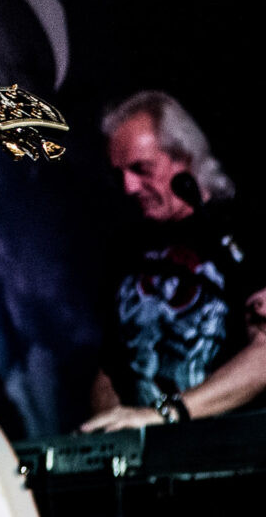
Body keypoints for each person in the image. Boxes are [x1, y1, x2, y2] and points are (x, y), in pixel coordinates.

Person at [82, 90, 264, 432]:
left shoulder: (244, 230)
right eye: (120, 174)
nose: (129, 187)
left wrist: (167, 414)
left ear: (184, 157)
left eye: (141, 169)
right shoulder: (127, 247)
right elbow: (110, 368)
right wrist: (110, 435)